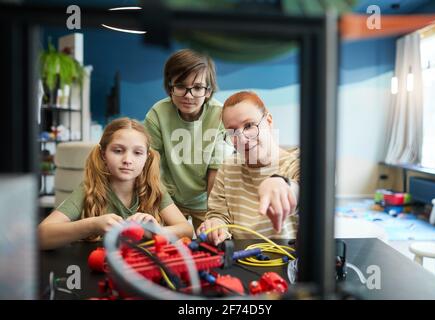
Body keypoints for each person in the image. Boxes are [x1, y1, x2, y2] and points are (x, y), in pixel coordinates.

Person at [38, 117, 193, 250]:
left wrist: (156, 231)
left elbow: (186, 229)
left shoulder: (154, 190)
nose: (127, 160)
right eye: (118, 151)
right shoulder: (89, 190)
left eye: (137, 153)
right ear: (103, 154)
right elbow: (41, 236)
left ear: (147, 157)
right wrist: (93, 225)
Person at [197, 91, 300, 245]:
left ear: (269, 121)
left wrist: (282, 183)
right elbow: (218, 214)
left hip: (288, 263)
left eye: (249, 125)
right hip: (243, 262)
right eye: (232, 131)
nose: (242, 139)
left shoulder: (296, 162)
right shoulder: (227, 168)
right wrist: (216, 225)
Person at [144, 49, 229, 231]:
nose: (188, 95)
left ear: (208, 91)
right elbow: (152, 167)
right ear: (170, 86)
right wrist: (161, 204)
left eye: (197, 87)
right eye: (181, 86)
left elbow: (216, 170)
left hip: (206, 200)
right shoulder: (157, 114)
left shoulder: (221, 116)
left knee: (212, 243)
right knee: (166, 247)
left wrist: (213, 214)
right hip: (169, 199)